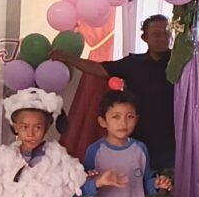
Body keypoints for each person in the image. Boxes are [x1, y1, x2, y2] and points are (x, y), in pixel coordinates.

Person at [51, 14, 175, 170]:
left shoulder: (180, 64)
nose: (163, 38)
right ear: (145, 38)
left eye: (166, 33)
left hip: (172, 139)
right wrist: (67, 57)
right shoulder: (133, 63)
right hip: (138, 137)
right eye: (156, 34)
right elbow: (99, 69)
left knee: (169, 182)